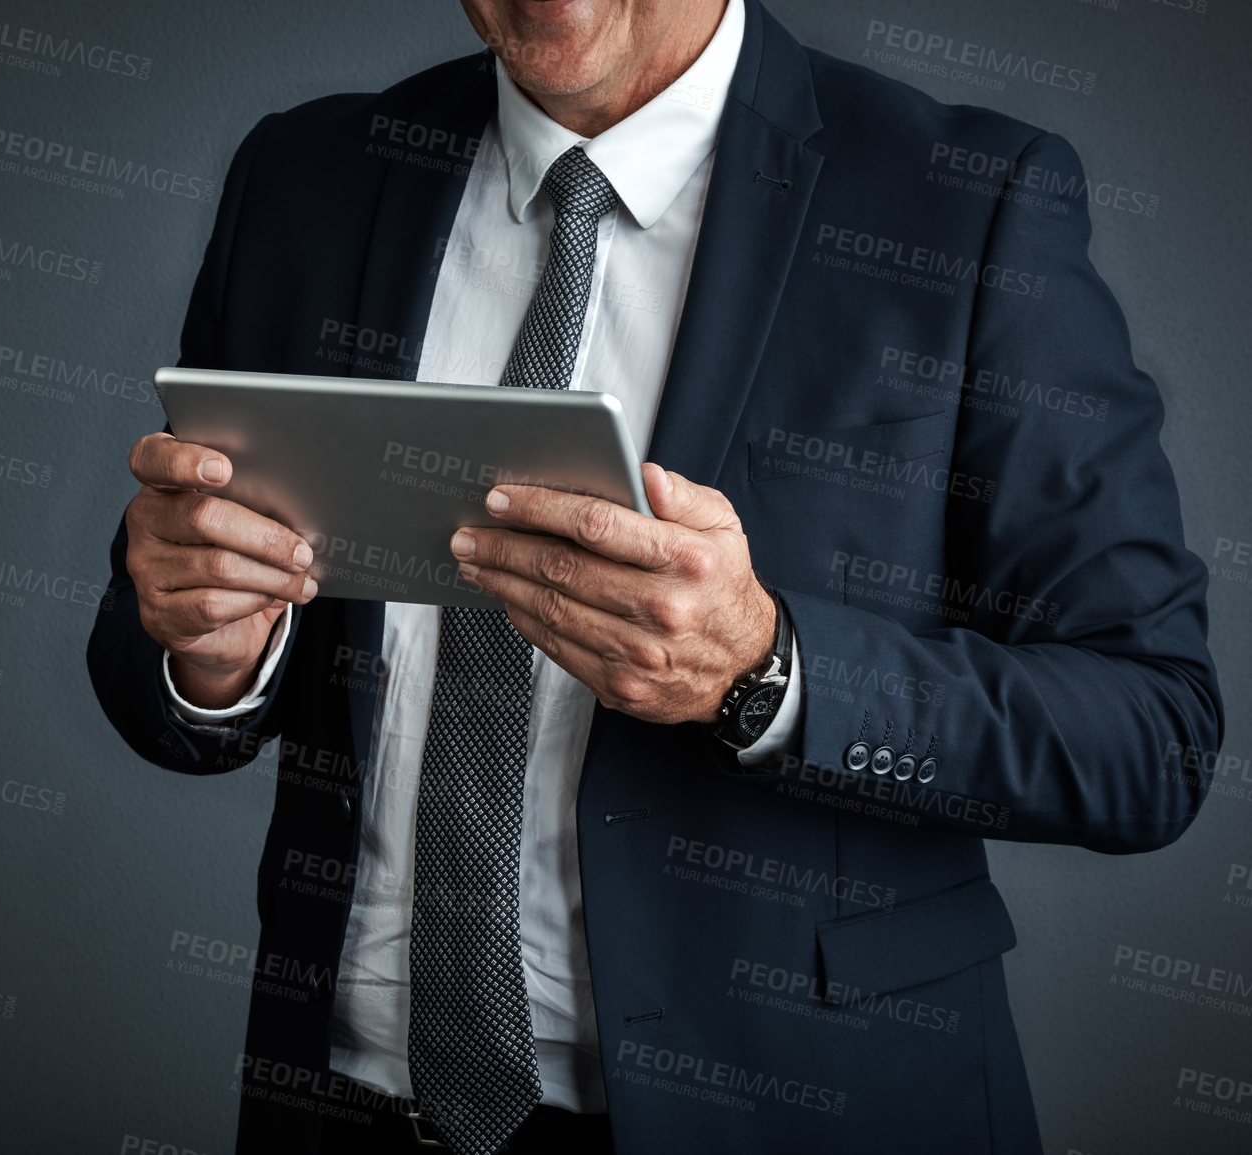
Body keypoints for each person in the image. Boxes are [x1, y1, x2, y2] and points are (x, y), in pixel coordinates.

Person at [88, 0, 1223, 1151]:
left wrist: (768, 671)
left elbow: (1152, 732)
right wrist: (210, 655)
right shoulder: (306, 177)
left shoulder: (968, 199)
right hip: (343, 1110)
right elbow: (150, 637)